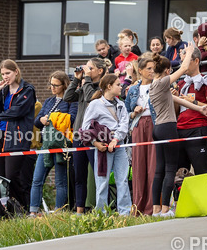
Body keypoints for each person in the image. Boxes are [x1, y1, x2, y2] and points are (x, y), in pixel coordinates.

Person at [148, 52, 197, 217]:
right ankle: (165, 210)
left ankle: (156, 210)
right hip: (168, 127)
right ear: (167, 70)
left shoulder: (155, 85)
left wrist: (199, 108)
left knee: (159, 171)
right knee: (170, 170)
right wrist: (190, 50)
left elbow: (178, 100)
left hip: (158, 129)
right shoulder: (162, 83)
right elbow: (183, 68)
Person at [76, 73, 131, 215]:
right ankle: (102, 213)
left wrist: (116, 139)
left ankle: (125, 212)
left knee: (122, 180)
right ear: (109, 86)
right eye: (118, 85)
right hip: (102, 147)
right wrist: (95, 143)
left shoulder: (121, 104)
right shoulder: (95, 104)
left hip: (118, 145)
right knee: (102, 181)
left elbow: (125, 125)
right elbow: (85, 127)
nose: (121, 87)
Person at [0, 59, 37, 215]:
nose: (5, 77)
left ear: (16, 71)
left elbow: (18, 111)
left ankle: (21, 207)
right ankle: (4, 211)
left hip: (17, 136)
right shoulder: (2, 90)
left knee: (11, 175)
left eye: (7, 73)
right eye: (2, 74)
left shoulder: (27, 89)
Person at [64, 56, 108, 212]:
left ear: (100, 71)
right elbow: (67, 97)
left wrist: (87, 79)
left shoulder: (102, 89)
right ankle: (80, 209)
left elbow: (91, 97)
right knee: (79, 174)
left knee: (97, 174)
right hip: (78, 135)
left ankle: (100, 207)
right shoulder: (84, 85)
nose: (86, 71)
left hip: (93, 136)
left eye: (90, 68)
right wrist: (76, 80)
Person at [30, 71, 75, 215]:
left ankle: (59, 211)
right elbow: (36, 122)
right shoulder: (49, 101)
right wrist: (43, 120)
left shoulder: (70, 101)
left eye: (56, 85)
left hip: (61, 144)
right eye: (51, 85)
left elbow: (72, 119)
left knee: (60, 181)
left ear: (64, 85)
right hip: (46, 144)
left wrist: (52, 118)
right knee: (37, 179)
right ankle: (33, 211)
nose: (53, 88)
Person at [175, 45, 207, 174]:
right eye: (181, 61)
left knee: (203, 171)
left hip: (197, 130)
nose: (182, 65)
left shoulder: (206, 81)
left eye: (186, 61)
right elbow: (176, 111)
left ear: (196, 61)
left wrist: (194, 102)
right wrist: (174, 99)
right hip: (179, 131)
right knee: (179, 174)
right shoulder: (181, 84)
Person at [125, 56, 156, 216]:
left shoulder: (159, 86)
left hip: (154, 124)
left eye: (153, 68)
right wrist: (133, 112)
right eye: (149, 68)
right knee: (138, 167)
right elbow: (125, 113)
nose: (152, 71)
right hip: (137, 126)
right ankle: (137, 207)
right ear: (141, 71)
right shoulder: (132, 90)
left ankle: (151, 208)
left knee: (153, 166)